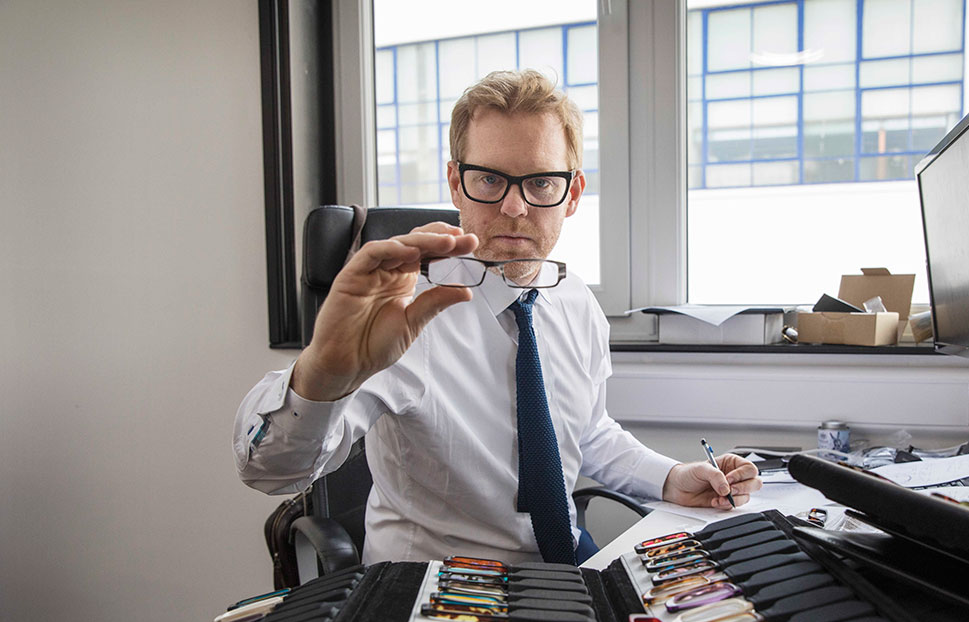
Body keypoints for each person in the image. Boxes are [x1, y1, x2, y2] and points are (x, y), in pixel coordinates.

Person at [234, 69, 761, 565]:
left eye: (540, 183)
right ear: (456, 182)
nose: (514, 208)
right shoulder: (403, 313)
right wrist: (323, 373)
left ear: (571, 193)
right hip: (437, 592)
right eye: (489, 180)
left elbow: (588, 433)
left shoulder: (574, 300)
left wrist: (671, 477)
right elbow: (271, 470)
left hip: (562, 573)